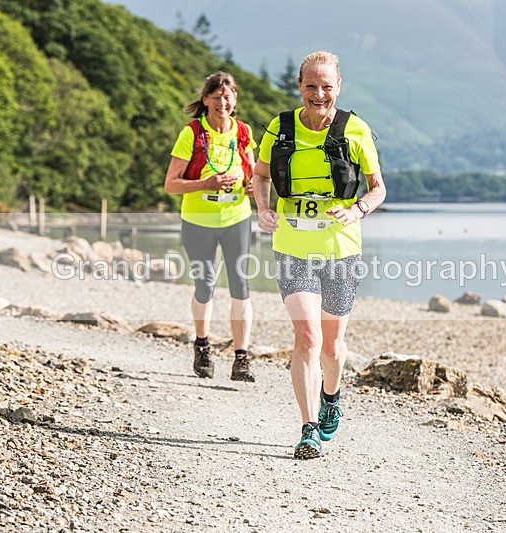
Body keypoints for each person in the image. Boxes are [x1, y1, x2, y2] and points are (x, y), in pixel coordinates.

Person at [253, 51, 386, 459]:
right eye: (311, 85)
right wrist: (263, 208)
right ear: (299, 86)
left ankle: (332, 394)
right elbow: (259, 176)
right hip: (293, 248)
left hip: (341, 251)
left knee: (332, 346)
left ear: (337, 87)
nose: (319, 93)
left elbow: (378, 187)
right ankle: (308, 427)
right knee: (307, 337)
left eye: (326, 86)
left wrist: (358, 208)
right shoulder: (281, 127)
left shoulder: (356, 130)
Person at [164, 71, 256, 382]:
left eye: (228, 97)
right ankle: (202, 345)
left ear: (235, 101)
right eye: (216, 97)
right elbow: (170, 185)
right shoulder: (191, 133)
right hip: (198, 221)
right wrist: (207, 183)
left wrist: (254, 187)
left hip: (237, 218)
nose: (223, 102)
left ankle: (241, 358)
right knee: (205, 286)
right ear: (206, 101)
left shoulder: (243, 132)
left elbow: (254, 174)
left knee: (241, 287)